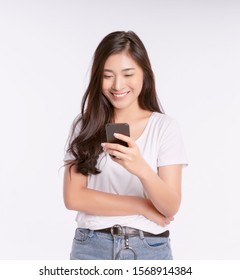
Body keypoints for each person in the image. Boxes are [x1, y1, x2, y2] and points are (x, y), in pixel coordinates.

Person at [63, 31, 188, 260]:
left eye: (128, 74)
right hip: (91, 247)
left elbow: (170, 207)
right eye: (107, 75)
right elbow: (74, 198)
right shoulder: (85, 125)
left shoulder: (164, 127)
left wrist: (140, 168)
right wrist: (141, 205)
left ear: (144, 74)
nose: (117, 85)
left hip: (149, 249)